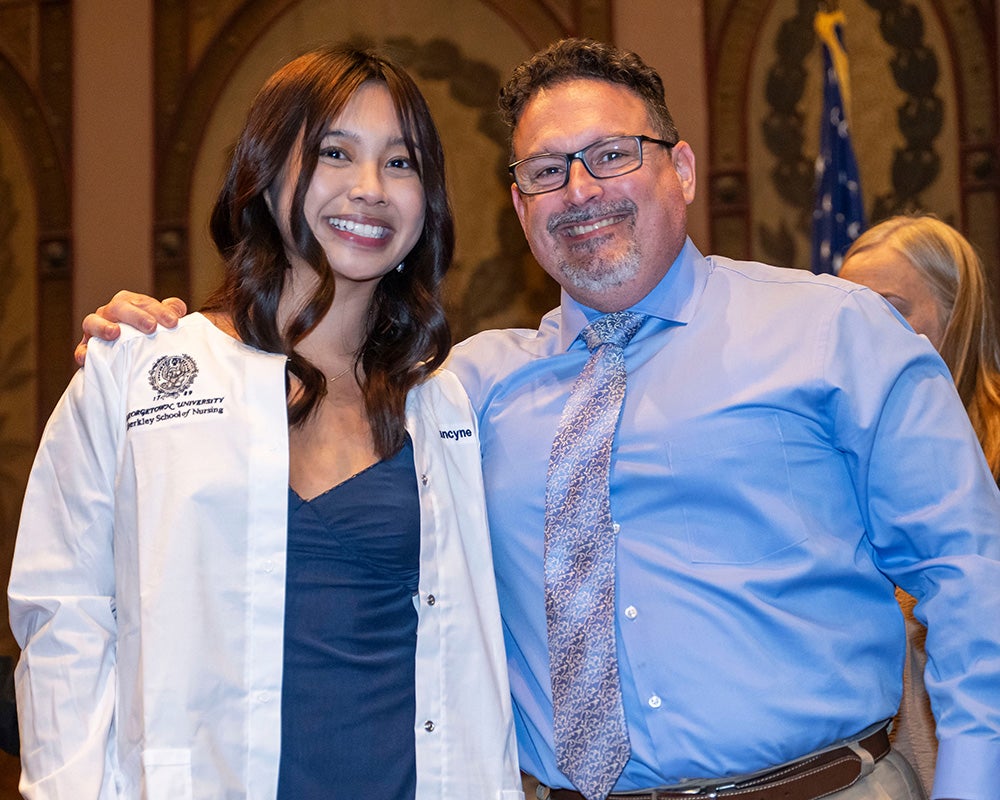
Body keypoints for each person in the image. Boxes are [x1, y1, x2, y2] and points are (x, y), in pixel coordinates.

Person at [73, 38, 1000, 800]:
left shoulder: (834, 331)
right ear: (520, 208)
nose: (581, 190)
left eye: (611, 156)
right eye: (547, 171)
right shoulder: (464, 391)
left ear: (679, 167)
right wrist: (165, 342)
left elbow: (973, 581)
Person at [9, 45, 523, 800]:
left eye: (402, 163)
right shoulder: (139, 370)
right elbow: (66, 620)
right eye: (334, 153)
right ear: (265, 173)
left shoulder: (445, 405)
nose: (370, 189)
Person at [839, 213, 1000, 791]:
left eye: (889, 309)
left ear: (957, 315)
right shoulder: (837, 448)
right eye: (849, 312)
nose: (864, 333)